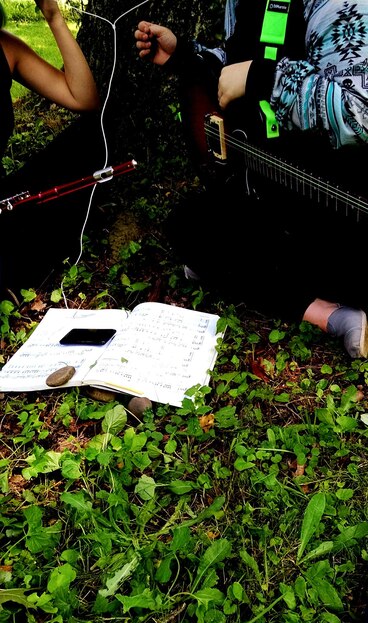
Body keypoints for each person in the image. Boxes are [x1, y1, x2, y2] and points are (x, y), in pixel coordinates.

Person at [135, 1, 368, 360]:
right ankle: (330, 313)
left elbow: (359, 114)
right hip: (278, 194)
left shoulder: (336, 5)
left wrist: (262, 79)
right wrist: (184, 55)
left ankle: (265, 276)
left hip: (346, 211)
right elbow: (235, 60)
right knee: (187, 225)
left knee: (216, 249)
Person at [0, 0, 104, 297]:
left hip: (3, 200)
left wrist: (53, 15)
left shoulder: (6, 48)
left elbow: (83, 98)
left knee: (91, 136)